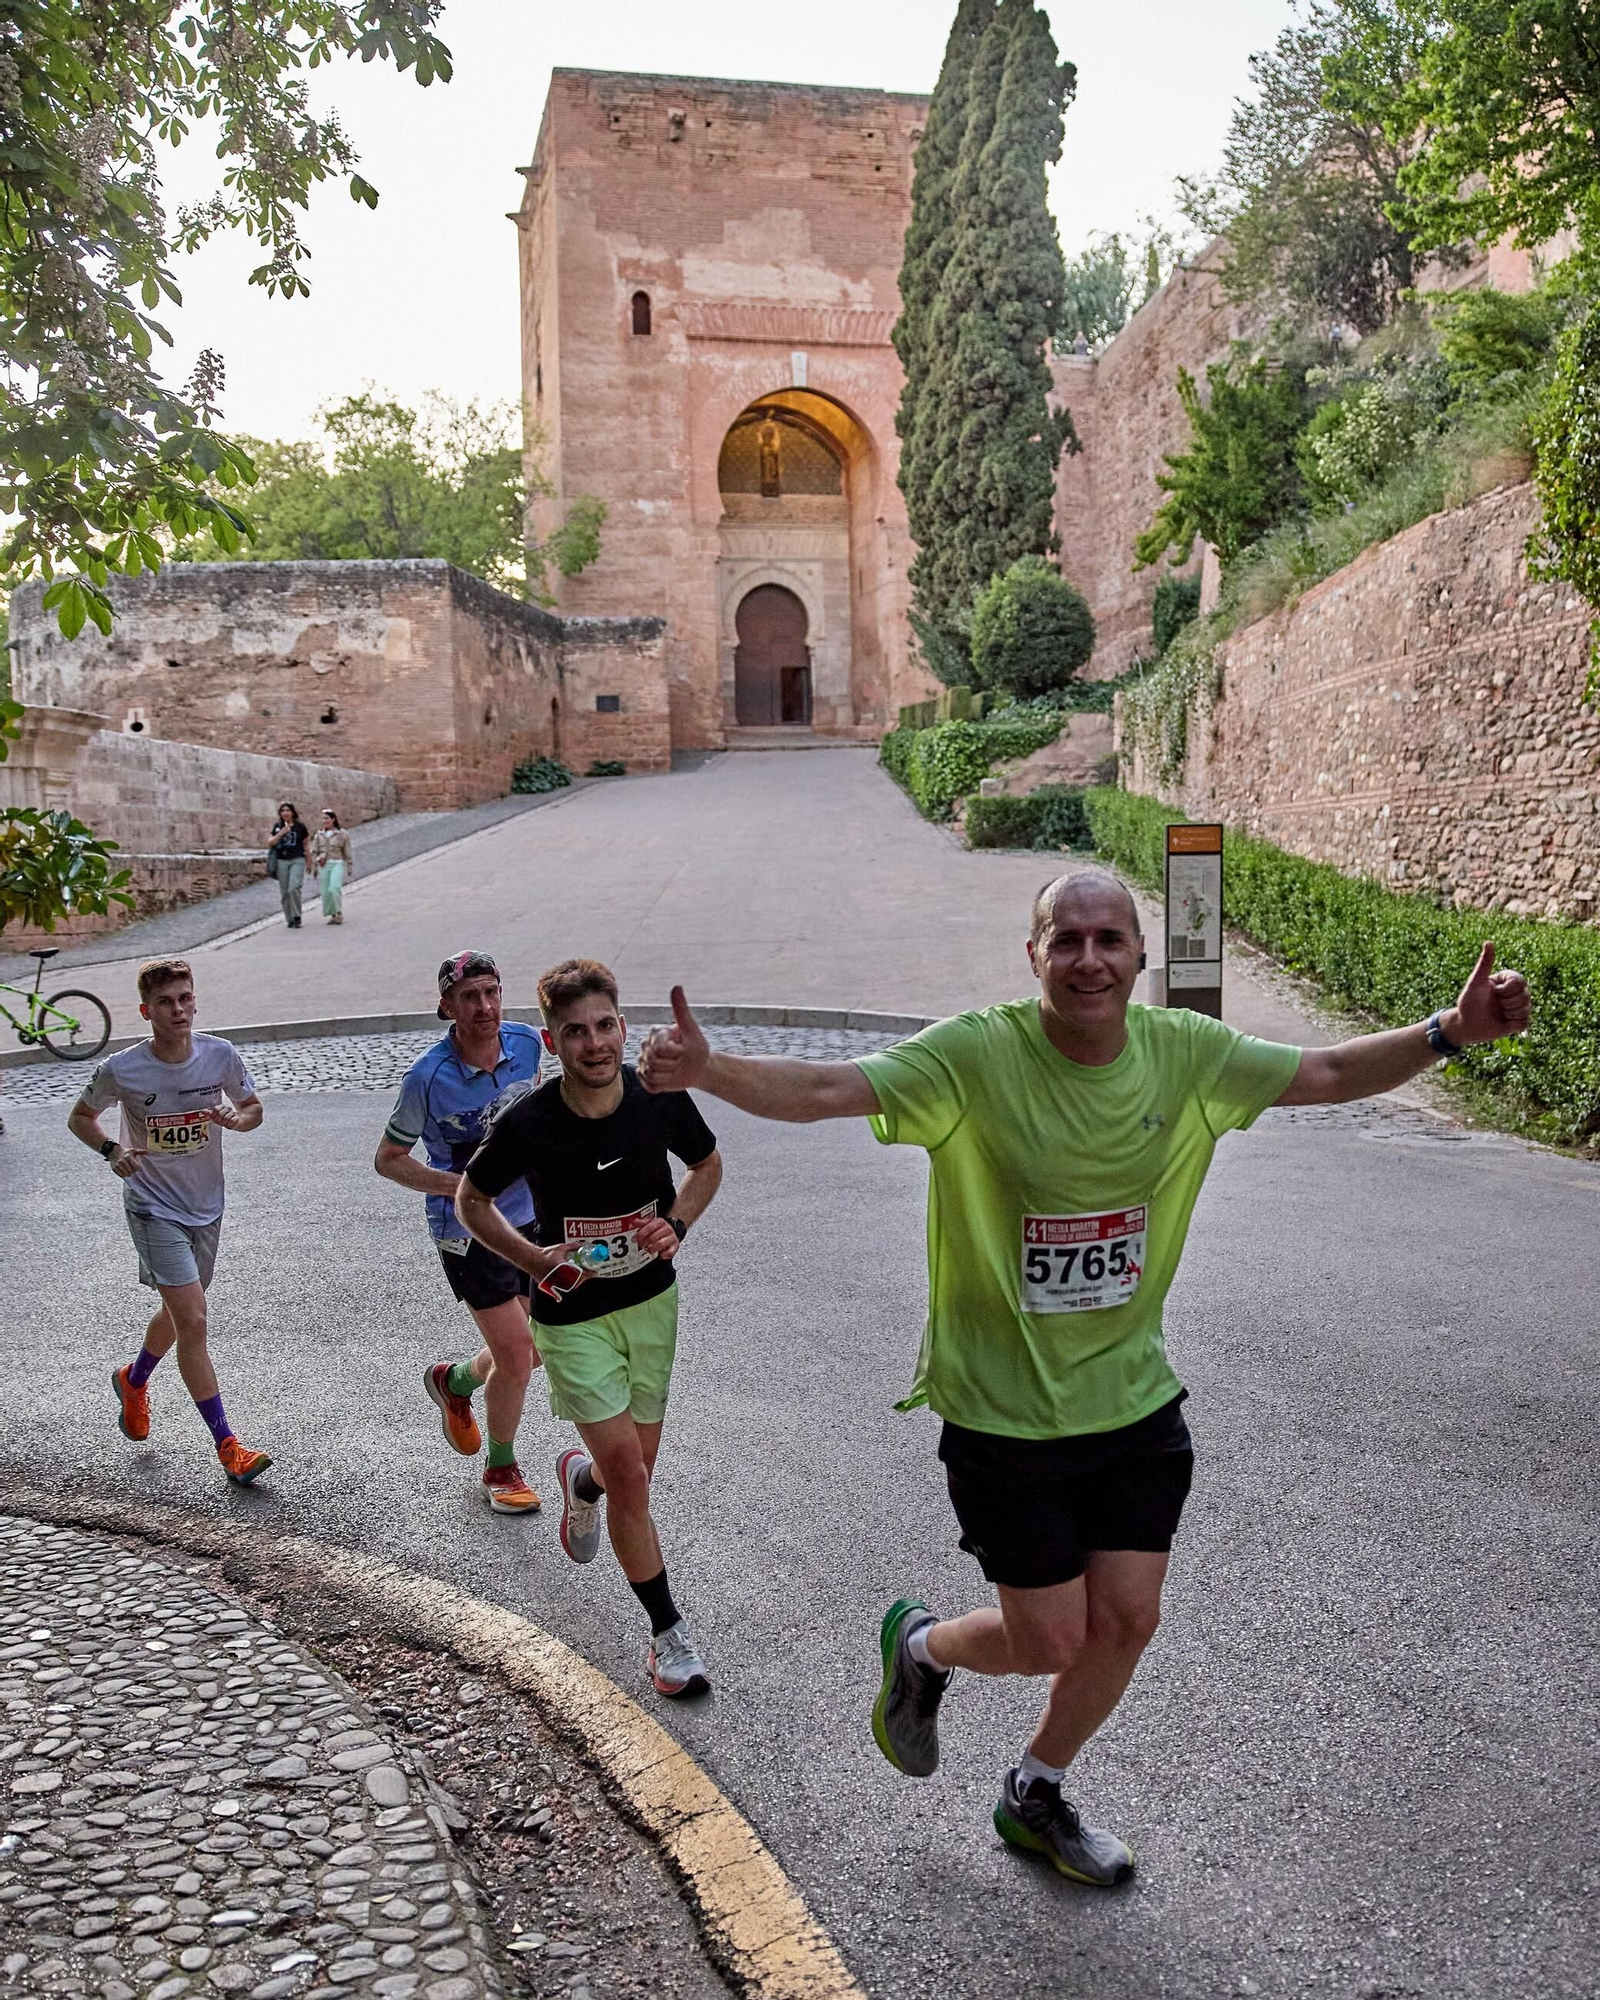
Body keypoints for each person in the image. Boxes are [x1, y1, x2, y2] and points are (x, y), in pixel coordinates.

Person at [638, 869, 1531, 1883]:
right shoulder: (976, 1053)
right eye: (1066, 939)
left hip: (1132, 1400)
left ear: (1140, 955)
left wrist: (1449, 1033)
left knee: (1128, 1620)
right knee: (1051, 1639)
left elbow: (1324, 1071)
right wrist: (711, 1069)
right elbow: (833, 1088)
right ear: (1035, 956)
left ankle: (1035, 1789)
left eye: (1110, 939)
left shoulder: (1185, 1053)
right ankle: (924, 1647)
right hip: (1003, 1416)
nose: (1089, 958)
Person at [455, 957, 724, 1698]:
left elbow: (707, 1166)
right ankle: (667, 1635)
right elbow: (471, 1202)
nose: (594, 1043)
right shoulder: (530, 1123)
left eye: (605, 1026)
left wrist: (677, 1224)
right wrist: (533, 1260)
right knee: (633, 1478)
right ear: (552, 1042)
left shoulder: (657, 1099)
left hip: (651, 1305)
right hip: (571, 1317)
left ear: (623, 1028)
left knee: (633, 1467)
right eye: (575, 1032)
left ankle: (583, 1479)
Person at [67, 957, 272, 1487]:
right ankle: (228, 1446)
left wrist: (237, 1120)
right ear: (146, 1011)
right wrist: (112, 1150)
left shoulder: (219, 1055)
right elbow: (80, 1117)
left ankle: (133, 1380)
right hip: (152, 1206)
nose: (178, 1009)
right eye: (165, 1002)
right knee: (195, 1320)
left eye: (184, 998)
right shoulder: (123, 1069)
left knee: (181, 1310)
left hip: (206, 1205)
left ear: (194, 1001)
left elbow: (253, 1108)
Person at [375, 952, 547, 1513]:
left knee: (540, 1345)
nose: (485, 1006)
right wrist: (465, 1186)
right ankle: (501, 1469)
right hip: (467, 1228)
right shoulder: (426, 1078)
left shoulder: (527, 1044)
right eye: (470, 997)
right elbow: (389, 1159)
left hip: (531, 1215)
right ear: (447, 1007)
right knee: (516, 1354)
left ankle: (456, 1383)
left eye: (492, 992)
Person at [268, 803, 310, 929]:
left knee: (294, 887)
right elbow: (270, 842)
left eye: (287, 810)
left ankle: (297, 916)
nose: (285, 813)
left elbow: (306, 844)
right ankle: (289, 918)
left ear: (292, 812)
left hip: (297, 859)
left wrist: (309, 861)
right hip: (282, 860)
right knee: (285, 891)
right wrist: (281, 833)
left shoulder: (300, 827)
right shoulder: (278, 827)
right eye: (282, 811)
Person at [310, 809, 354, 925]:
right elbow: (314, 851)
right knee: (326, 891)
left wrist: (349, 864)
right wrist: (314, 867)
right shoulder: (319, 835)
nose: (325, 821)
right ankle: (333, 914)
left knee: (334, 888)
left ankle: (338, 912)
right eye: (323, 819)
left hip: (336, 862)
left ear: (333, 819)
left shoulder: (342, 834)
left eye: (327, 818)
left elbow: (347, 850)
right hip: (323, 864)